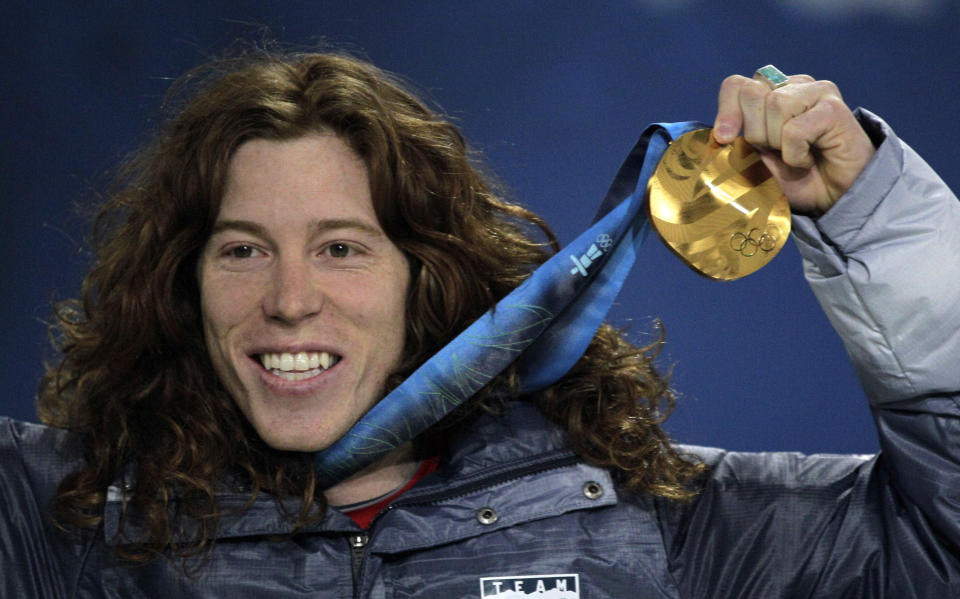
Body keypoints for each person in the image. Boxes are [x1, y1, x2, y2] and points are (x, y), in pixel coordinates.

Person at [1, 50, 957, 598]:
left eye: (342, 247)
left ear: (429, 277)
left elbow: (937, 548)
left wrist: (877, 214)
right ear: (183, 283)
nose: (288, 299)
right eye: (243, 249)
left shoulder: (649, 524)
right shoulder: (73, 523)